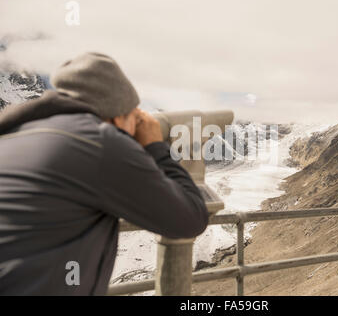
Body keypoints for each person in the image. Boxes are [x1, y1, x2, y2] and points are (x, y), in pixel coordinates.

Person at [0, 52, 209, 295]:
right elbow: (189, 218)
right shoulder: (100, 142)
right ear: (118, 114)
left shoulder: (13, 135)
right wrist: (154, 146)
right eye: (135, 117)